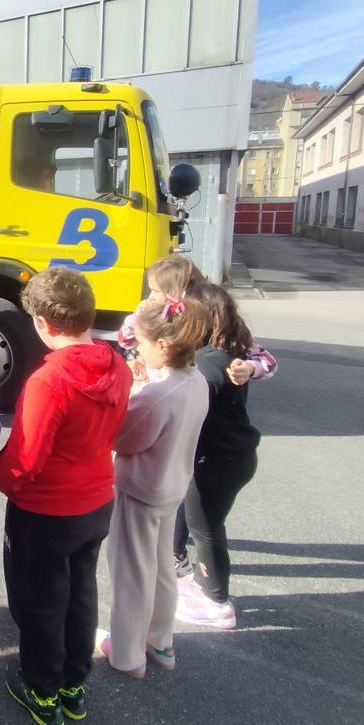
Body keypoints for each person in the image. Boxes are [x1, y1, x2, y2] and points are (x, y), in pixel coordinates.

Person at [0, 266, 132, 724]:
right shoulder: (117, 366)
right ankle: (74, 683)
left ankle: (42, 688)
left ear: (43, 324)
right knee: (81, 594)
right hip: (95, 500)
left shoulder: (48, 382)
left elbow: (23, 462)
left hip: (46, 511)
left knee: (40, 601)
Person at [97, 296, 209, 680]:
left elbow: (124, 438)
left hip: (140, 491)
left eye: (142, 344)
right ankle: (161, 642)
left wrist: (135, 389)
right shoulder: (195, 382)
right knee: (161, 566)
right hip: (172, 488)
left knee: (131, 570)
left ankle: (127, 652)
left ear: (163, 346)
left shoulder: (156, 395)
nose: (138, 350)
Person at [172, 283, 262, 630]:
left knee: (205, 528)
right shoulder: (229, 352)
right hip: (236, 456)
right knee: (208, 524)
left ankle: (216, 601)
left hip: (216, 463)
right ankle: (205, 585)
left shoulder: (208, 367)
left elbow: (188, 413)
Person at [117, 255, 277, 387]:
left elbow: (268, 361)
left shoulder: (214, 320)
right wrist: (137, 317)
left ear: (178, 294)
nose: (150, 296)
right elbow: (125, 340)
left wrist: (250, 368)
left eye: (155, 291)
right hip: (162, 393)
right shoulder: (157, 317)